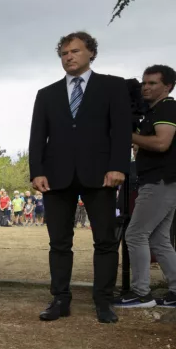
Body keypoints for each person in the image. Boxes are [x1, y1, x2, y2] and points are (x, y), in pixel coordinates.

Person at [29, 31, 130, 324]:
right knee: (59, 243)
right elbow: (37, 137)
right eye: (63, 53)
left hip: (100, 175)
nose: (68, 57)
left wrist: (118, 166)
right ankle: (60, 299)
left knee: (105, 242)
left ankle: (104, 301)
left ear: (91, 53)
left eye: (74, 51)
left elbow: (121, 131)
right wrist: (37, 171)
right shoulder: (46, 94)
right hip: (56, 177)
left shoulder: (112, 86)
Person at [114, 65, 176, 309]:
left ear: (168, 86)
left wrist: (127, 135)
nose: (146, 87)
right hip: (162, 181)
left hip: (159, 181)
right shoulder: (153, 111)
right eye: (144, 83)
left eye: (152, 83)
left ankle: (141, 293)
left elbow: (161, 143)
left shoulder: (167, 107)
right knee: (159, 240)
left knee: (135, 234)